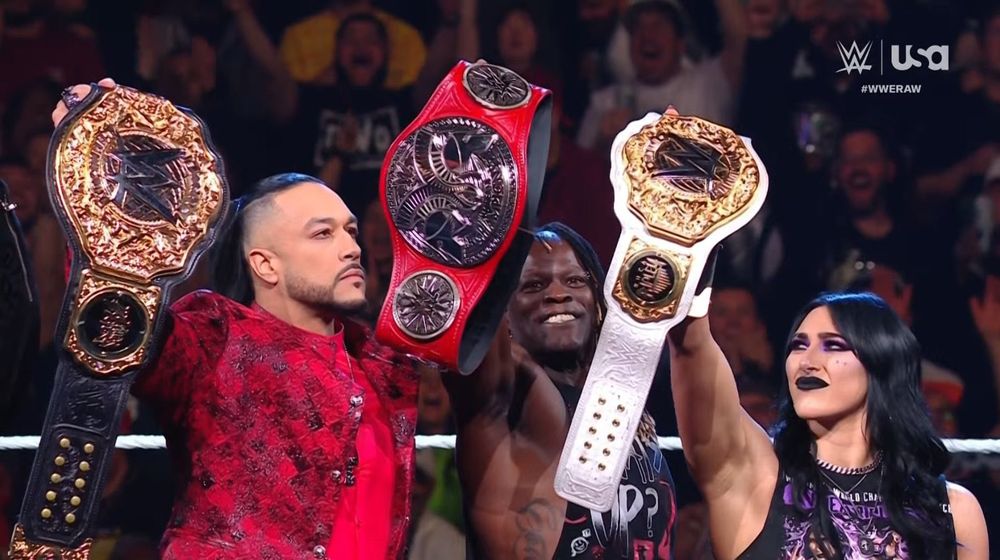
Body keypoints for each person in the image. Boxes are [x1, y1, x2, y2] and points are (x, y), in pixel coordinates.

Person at [49, 83, 422, 559]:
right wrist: (98, 176)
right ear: (265, 265)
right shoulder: (215, 337)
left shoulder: (384, 361)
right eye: (322, 234)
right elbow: (121, 328)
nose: (351, 247)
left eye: (350, 231)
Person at [667, 289, 989, 558]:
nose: (807, 361)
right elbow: (691, 343)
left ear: (881, 364)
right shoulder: (755, 478)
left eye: (832, 345)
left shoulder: (954, 509)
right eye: (798, 345)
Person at [445, 222, 676, 559]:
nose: (557, 294)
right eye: (533, 285)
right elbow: (473, 362)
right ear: (503, 310)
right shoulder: (511, 398)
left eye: (575, 281)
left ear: (598, 298)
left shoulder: (623, 403)